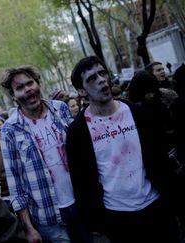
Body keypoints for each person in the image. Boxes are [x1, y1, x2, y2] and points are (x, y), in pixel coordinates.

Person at [67, 56, 180, 243]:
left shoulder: (137, 112)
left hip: (157, 207)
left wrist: (172, 198)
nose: (101, 80)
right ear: (81, 90)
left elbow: (160, 158)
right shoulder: (78, 132)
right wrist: (99, 223)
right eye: (92, 78)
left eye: (102, 73)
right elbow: (81, 182)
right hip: (118, 218)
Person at [0, 65, 91, 242]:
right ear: (13, 96)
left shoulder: (61, 109)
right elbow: (16, 184)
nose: (28, 90)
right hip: (49, 220)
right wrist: (28, 229)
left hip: (81, 205)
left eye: (30, 83)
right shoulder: (9, 130)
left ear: (38, 84)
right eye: (20, 88)